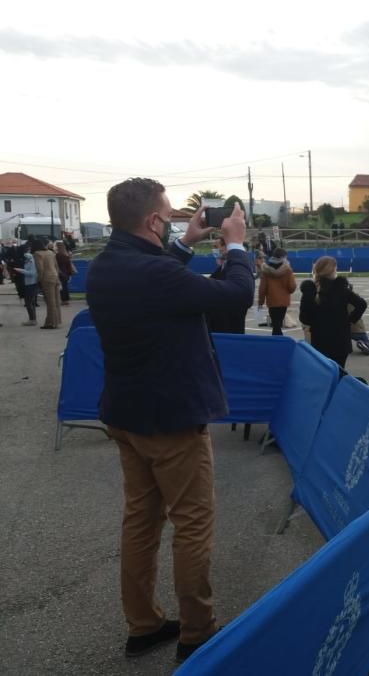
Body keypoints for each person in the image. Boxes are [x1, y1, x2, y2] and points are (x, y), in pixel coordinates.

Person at [85, 178, 253, 664]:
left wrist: (185, 242)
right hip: (172, 420)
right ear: (153, 221)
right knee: (192, 524)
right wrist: (236, 244)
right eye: (168, 214)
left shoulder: (106, 267)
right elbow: (235, 295)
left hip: (126, 415)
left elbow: (156, 275)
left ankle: (143, 624)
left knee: (140, 521)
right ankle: (198, 632)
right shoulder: (153, 274)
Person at [299, 256, 367, 368]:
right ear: (334, 269)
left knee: (323, 374)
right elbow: (362, 304)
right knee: (339, 373)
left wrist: (316, 323)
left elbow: (304, 318)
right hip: (340, 339)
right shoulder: (342, 289)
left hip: (320, 339)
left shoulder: (311, 291)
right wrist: (350, 320)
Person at [206, 238, 250, 334]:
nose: (213, 250)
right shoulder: (220, 270)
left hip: (229, 329)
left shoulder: (234, 272)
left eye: (216, 247)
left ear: (226, 248)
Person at [258, 247, 297, 336]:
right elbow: (292, 287)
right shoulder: (287, 270)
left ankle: (276, 340)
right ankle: (278, 340)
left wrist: (260, 302)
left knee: (276, 324)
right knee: (278, 324)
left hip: (271, 301)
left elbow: (262, 288)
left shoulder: (266, 270)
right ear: (283, 257)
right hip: (283, 300)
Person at [32, 239, 61, 329]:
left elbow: (40, 269)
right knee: (56, 301)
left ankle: (50, 323)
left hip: (46, 278)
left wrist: (38, 280)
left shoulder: (37, 254)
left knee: (50, 301)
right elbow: (56, 266)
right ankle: (57, 321)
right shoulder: (50, 252)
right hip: (55, 276)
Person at [14, 243, 39, 325]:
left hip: (30, 283)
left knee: (28, 302)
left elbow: (31, 273)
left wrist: (19, 270)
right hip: (31, 282)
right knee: (31, 302)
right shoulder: (30, 258)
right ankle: (33, 319)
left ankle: (32, 320)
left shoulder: (29, 258)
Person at [56, 241, 76, 306]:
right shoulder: (66, 255)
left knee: (61, 288)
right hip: (66, 273)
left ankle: (63, 300)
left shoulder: (57, 256)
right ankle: (66, 300)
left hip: (60, 273)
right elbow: (69, 266)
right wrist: (69, 274)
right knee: (65, 287)